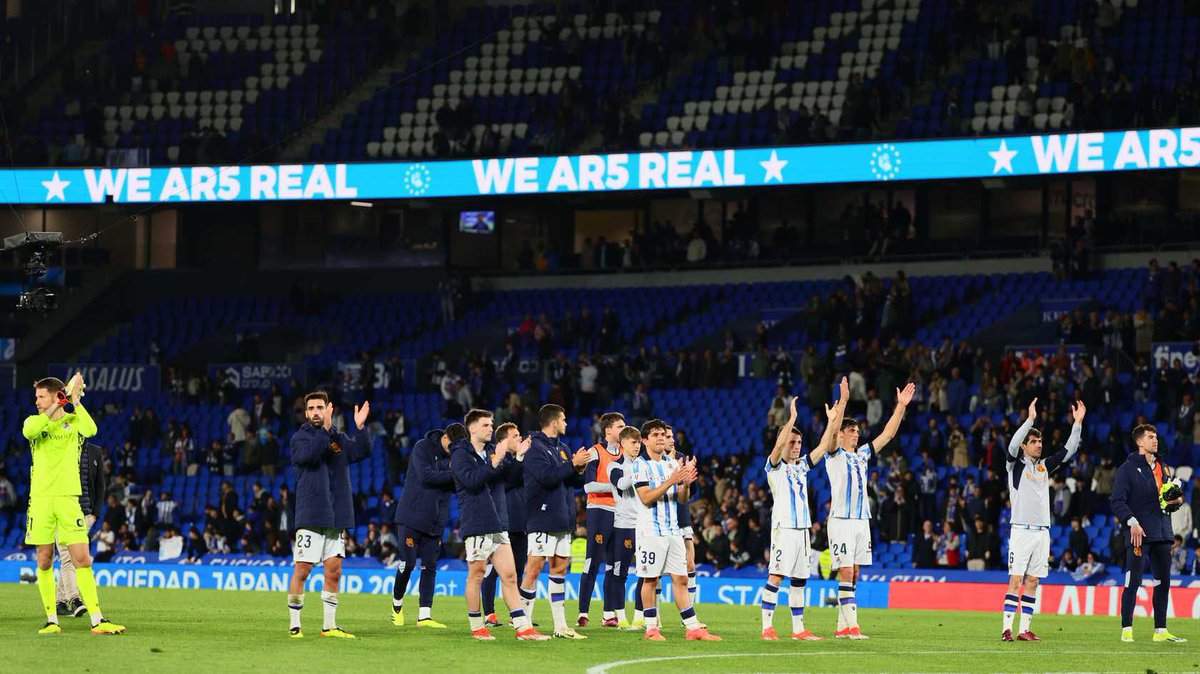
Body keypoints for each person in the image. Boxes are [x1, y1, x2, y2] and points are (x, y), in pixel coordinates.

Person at [23, 373, 125, 635]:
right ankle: (52, 620)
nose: (37, 401)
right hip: (42, 501)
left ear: (54, 394)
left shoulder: (72, 423)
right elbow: (30, 431)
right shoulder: (34, 423)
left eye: (41, 396)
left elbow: (91, 430)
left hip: (69, 500)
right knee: (45, 561)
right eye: (37, 397)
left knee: (83, 558)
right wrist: (58, 402)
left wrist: (75, 400)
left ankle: (97, 620)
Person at [825, 382, 916, 639]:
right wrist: (842, 403)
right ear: (841, 434)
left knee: (854, 573)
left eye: (857, 431)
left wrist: (900, 407)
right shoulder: (834, 454)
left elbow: (887, 435)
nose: (856, 434)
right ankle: (853, 627)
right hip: (841, 520)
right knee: (845, 571)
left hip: (861, 520)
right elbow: (831, 435)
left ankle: (842, 625)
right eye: (851, 431)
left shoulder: (863, 454)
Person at [760, 378, 846, 641]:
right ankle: (767, 628)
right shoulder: (774, 467)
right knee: (776, 576)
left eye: (799, 443)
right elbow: (777, 446)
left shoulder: (801, 467)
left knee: (799, 580)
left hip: (802, 530)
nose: (796, 447)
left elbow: (822, 447)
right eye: (792, 442)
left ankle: (798, 629)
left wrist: (836, 415)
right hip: (783, 529)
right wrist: (792, 417)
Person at [451, 408, 548, 641]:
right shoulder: (461, 455)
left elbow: (511, 478)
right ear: (472, 428)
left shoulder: (493, 452)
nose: (490, 428)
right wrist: (495, 462)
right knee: (477, 574)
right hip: (477, 521)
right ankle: (477, 625)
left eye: (491, 424)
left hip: (498, 522)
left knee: (510, 575)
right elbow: (472, 482)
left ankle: (523, 627)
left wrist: (519, 457)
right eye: (485, 425)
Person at [286, 392, 371, 639]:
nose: (315, 411)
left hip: (335, 516)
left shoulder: (338, 438)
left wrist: (361, 427)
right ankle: (295, 625)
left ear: (327, 409)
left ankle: (329, 626)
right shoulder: (300, 438)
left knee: (334, 572)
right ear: (305, 413)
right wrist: (325, 430)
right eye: (311, 408)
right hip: (311, 514)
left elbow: (362, 452)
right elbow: (309, 455)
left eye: (320, 407)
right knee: (302, 571)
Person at [1002, 397, 1084, 642]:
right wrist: (1029, 421)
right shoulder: (1015, 466)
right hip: (1021, 531)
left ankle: (1023, 629)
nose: (1039, 445)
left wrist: (1077, 423)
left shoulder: (1044, 467)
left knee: (1034, 581)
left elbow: (1068, 451)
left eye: (1040, 441)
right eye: (1034, 442)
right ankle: (1007, 628)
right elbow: (1012, 445)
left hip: (1042, 532)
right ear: (1025, 446)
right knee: (1016, 580)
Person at [632, 418, 720, 641]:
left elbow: (682, 500)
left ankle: (693, 628)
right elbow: (645, 499)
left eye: (663, 434)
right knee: (650, 580)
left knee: (681, 579)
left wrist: (686, 483)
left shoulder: (672, 463)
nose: (661, 438)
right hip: (651, 532)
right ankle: (651, 628)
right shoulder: (640, 465)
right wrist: (671, 481)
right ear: (644, 441)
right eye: (655, 435)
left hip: (673, 531)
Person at [1111, 424, 1188, 643]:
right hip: (1139, 533)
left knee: (1163, 582)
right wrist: (1132, 521)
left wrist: (1177, 501)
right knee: (1133, 581)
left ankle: (1161, 631)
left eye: (1156, 436)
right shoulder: (1126, 469)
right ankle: (1127, 629)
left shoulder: (1163, 467)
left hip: (1163, 531)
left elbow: (1167, 498)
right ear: (1140, 442)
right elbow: (1116, 501)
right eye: (1151, 437)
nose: (1155, 440)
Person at [519, 404, 591, 639]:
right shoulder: (534, 448)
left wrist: (579, 469)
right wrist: (572, 464)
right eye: (564, 420)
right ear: (553, 423)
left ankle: (560, 626)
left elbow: (570, 482)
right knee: (534, 568)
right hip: (541, 517)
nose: (566, 424)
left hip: (563, 517)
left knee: (560, 569)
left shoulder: (563, 448)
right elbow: (547, 478)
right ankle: (524, 625)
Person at [391, 425, 456, 628]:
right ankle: (397, 605)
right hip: (411, 517)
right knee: (408, 564)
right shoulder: (422, 447)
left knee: (430, 567)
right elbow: (426, 476)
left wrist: (453, 474)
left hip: (436, 522)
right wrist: (454, 473)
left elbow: (458, 484)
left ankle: (424, 616)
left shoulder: (455, 455)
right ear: (444, 437)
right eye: (452, 445)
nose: (453, 450)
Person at [577, 412, 625, 627]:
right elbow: (588, 486)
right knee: (592, 562)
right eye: (620, 426)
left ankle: (608, 614)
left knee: (614, 566)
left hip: (621, 513)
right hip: (599, 510)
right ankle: (583, 612)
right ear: (608, 431)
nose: (624, 430)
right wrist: (616, 485)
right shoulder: (595, 452)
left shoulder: (627, 453)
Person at [481, 421, 530, 627]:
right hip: (501, 521)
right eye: (515, 435)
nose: (519, 438)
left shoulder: (520, 461)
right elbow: (510, 481)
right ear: (503, 440)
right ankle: (490, 613)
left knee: (517, 569)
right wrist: (519, 457)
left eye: (519, 434)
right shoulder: (497, 460)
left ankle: (515, 614)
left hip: (520, 522)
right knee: (493, 569)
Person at [56, 439, 107, 618]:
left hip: (85, 515)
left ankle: (60, 602)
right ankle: (74, 600)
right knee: (67, 556)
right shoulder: (60, 445)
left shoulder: (95, 451)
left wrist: (95, 514)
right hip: (62, 511)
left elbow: (100, 483)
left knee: (70, 557)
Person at [604, 424, 645, 629]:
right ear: (623, 444)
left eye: (639, 442)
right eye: (633, 442)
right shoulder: (615, 466)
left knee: (646, 572)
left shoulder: (644, 463)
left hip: (644, 525)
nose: (637, 446)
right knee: (620, 573)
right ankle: (620, 617)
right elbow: (621, 484)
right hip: (625, 525)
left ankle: (639, 616)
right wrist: (639, 472)